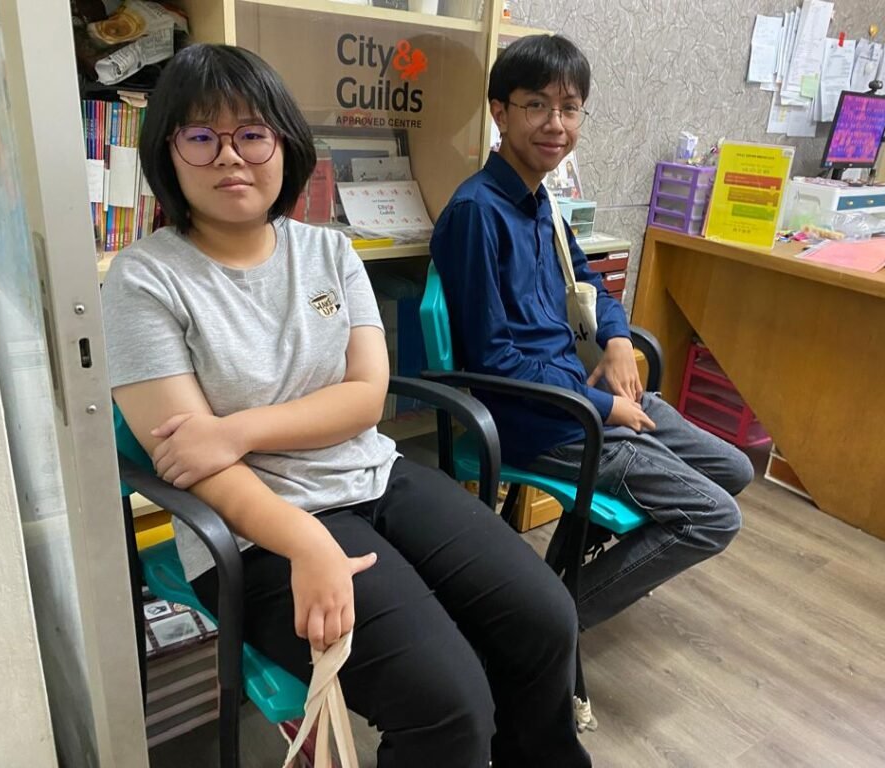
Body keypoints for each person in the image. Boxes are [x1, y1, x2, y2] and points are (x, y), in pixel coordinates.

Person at [102, 43, 591, 768]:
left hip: (372, 475)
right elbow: (194, 464)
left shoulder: (329, 251)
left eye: (252, 134)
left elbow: (364, 397)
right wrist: (305, 542)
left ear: (283, 143)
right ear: (168, 152)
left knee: (547, 620)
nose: (229, 157)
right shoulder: (144, 282)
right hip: (255, 528)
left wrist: (234, 430)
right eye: (201, 136)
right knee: (447, 702)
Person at [430, 35, 754, 631]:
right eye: (536, 105)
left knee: (735, 469)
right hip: (543, 417)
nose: (556, 124)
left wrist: (618, 341)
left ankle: (570, 561)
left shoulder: (540, 201)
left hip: (577, 397)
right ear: (499, 112)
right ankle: (548, 626)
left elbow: (587, 280)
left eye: (570, 108)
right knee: (715, 516)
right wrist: (605, 406)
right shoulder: (476, 213)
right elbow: (493, 360)